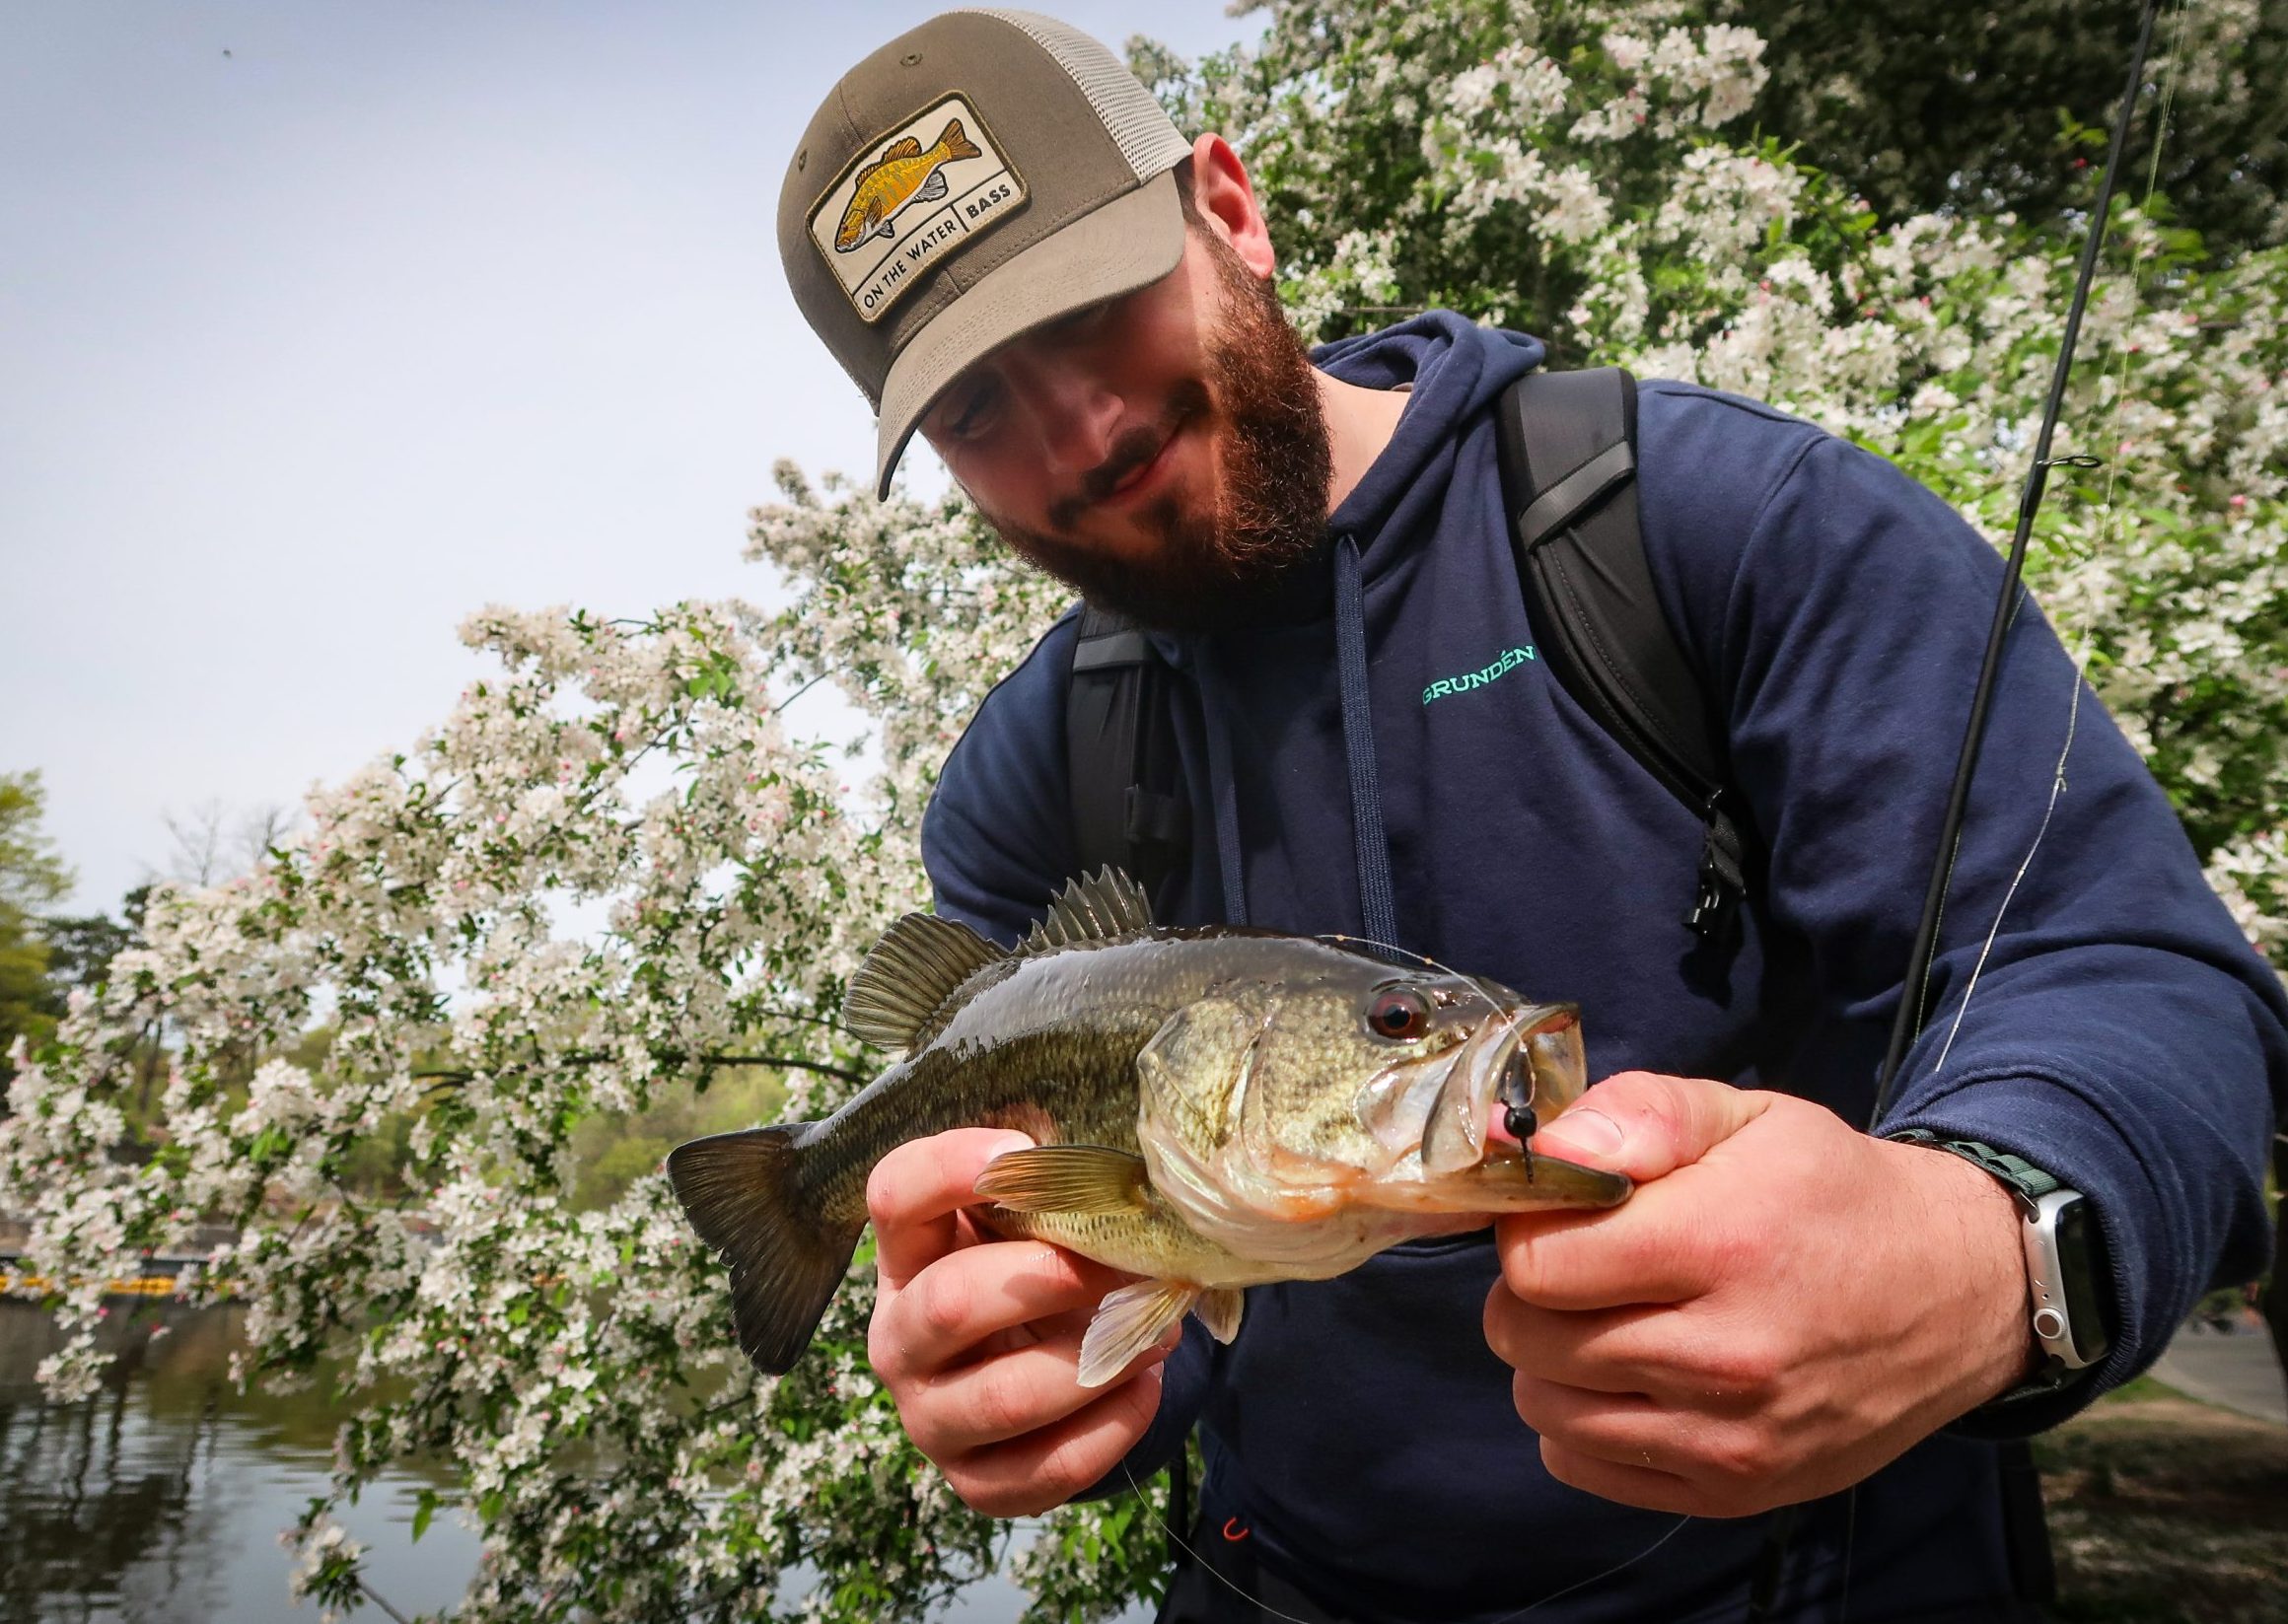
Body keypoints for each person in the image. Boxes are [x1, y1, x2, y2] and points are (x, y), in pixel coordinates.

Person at [776, 12, 2286, 1621]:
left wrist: (1998, 1257)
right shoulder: (1031, 773)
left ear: (1228, 207)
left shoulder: (1722, 528)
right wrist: (1043, 1378)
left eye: (1093, 308)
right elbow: (1131, 1318)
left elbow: (2134, 972)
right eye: (977, 414)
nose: (1082, 437)